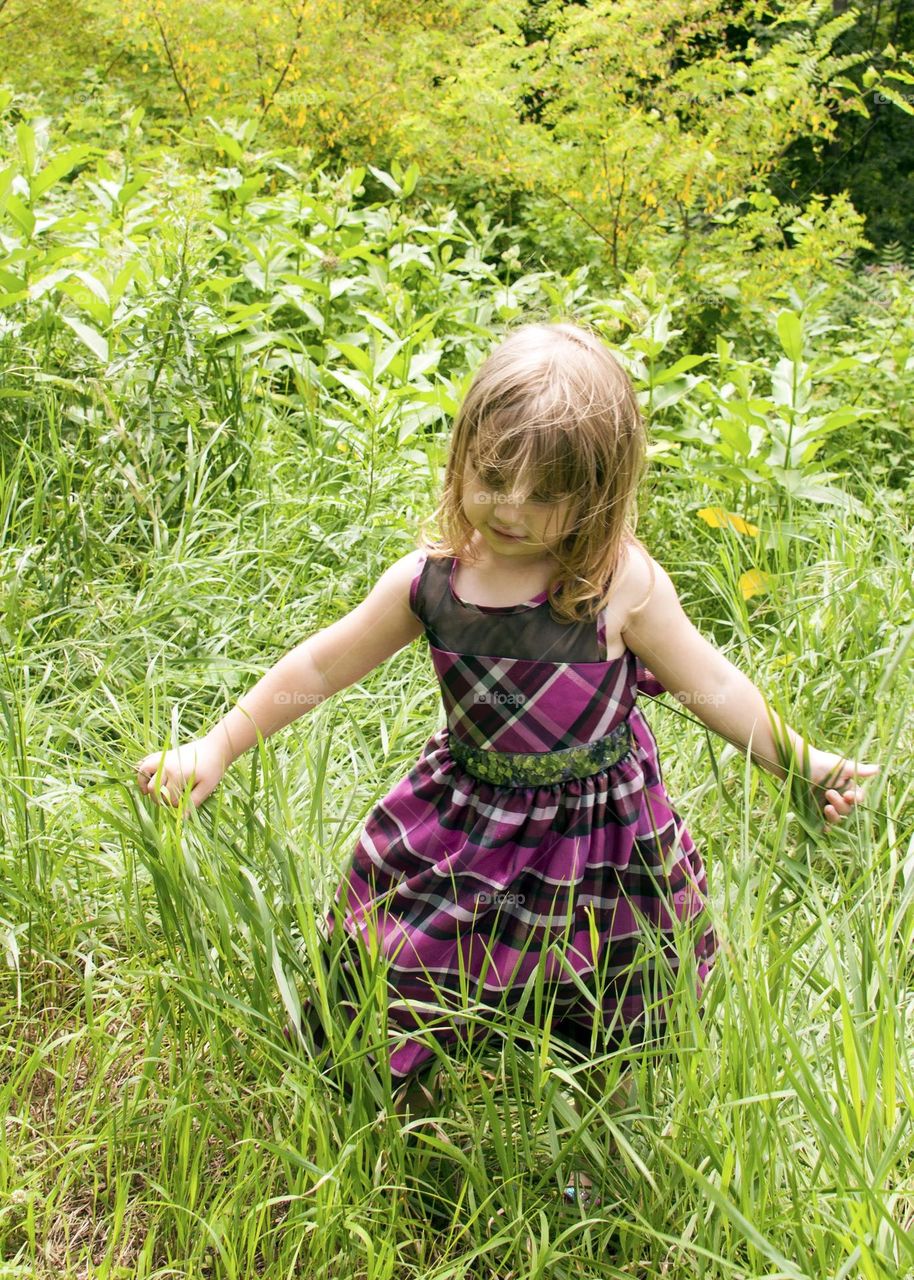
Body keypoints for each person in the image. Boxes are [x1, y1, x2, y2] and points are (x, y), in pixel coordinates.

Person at [135, 321, 878, 1207]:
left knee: (615, 989)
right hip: (468, 817)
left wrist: (803, 761)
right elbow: (321, 666)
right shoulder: (431, 583)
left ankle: (604, 1159)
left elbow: (711, 684)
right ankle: (398, 1127)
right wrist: (217, 744)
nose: (511, 507)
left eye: (546, 493)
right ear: (462, 458)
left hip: (603, 834)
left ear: (601, 495)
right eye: (492, 476)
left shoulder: (619, 587)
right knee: (402, 960)